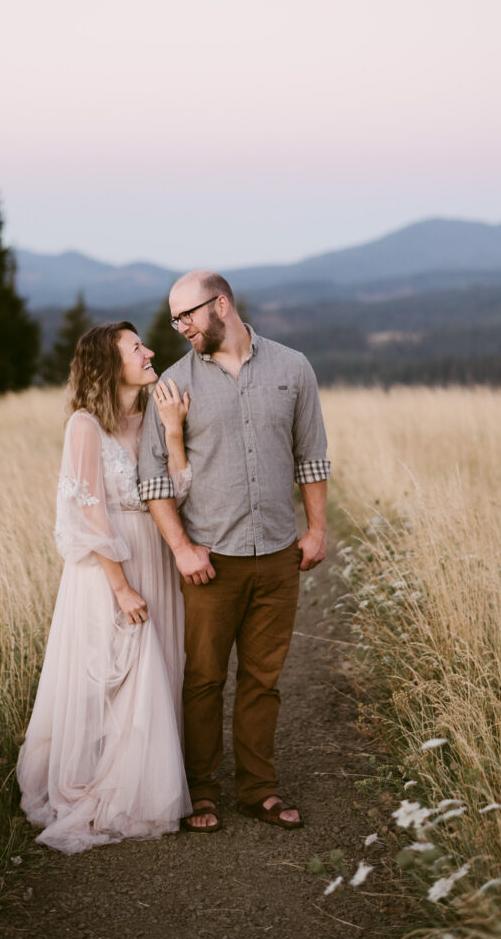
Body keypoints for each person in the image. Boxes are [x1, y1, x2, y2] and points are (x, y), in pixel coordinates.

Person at [138, 271, 331, 833]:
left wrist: (316, 530)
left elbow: (311, 457)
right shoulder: (172, 385)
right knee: (202, 679)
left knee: (262, 679)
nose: (181, 329)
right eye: (175, 320)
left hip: (277, 554)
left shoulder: (292, 367)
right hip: (210, 562)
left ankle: (260, 790)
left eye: (188, 316)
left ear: (221, 303)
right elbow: (152, 480)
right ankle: (200, 791)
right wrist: (180, 549)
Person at [16, 322, 194, 854]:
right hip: (108, 568)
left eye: (143, 345)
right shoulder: (85, 426)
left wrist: (175, 430)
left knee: (159, 669)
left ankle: (145, 782)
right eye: (135, 347)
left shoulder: (150, 419)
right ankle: (104, 788)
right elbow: (86, 514)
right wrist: (120, 588)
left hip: (155, 555)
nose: (149, 352)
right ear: (107, 363)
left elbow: (180, 492)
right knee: (113, 672)